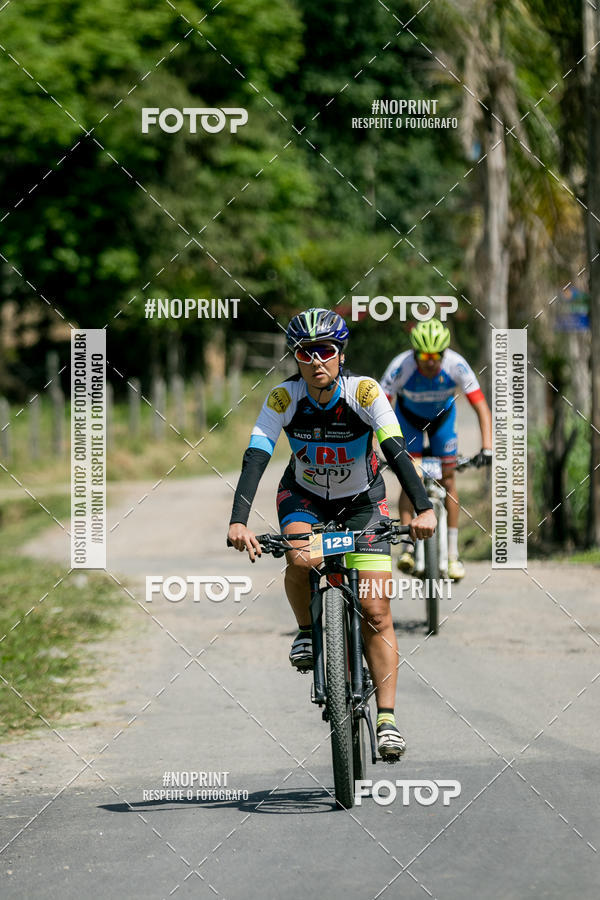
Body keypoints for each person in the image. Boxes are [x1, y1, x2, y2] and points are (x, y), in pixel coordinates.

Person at [227, 308, 436, 760]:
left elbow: (396, 450)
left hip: (363, 503)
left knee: (376, 610)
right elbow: (256, 455)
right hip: (303, 498)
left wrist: (423, 507)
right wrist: (239, 519)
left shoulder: (364, 392)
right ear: (296, 359)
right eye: (306, 352)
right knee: (301, 559)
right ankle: (306, 630)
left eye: (326, 350)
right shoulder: (285, 399)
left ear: (341, 354)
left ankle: (386, 720)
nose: (316, 360)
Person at [381, 318, 492, 581]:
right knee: (411, 478)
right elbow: (379, 407)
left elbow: (481, 407)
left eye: (436, 356)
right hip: (407, 420)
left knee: (449, 479)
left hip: (442, 421)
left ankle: (453, 555)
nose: (430, 361)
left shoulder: (457, 365)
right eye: (424, 355)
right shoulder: (401, 367)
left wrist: (487, 447)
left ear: (444, 353)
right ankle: (408, 546)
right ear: (414, 353)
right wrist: (373, 445)